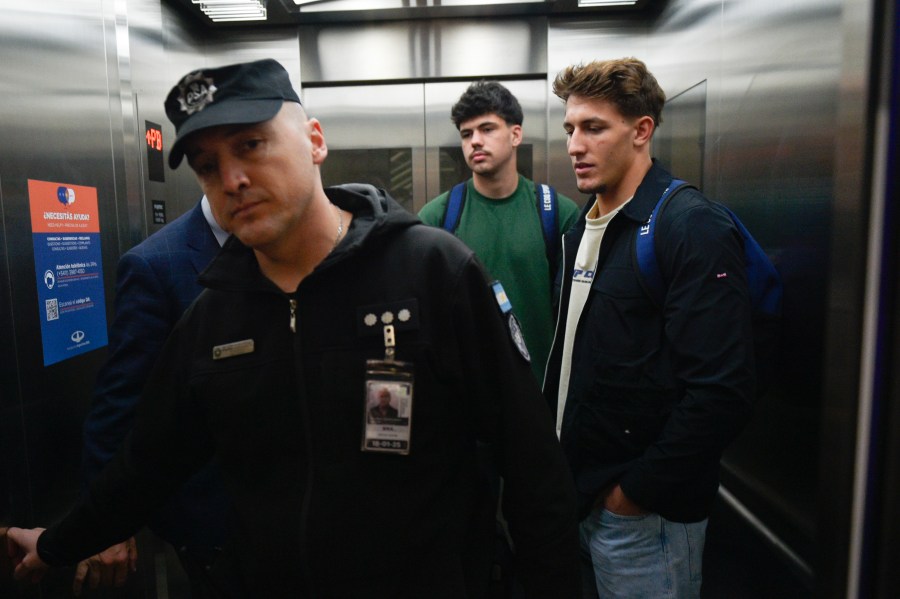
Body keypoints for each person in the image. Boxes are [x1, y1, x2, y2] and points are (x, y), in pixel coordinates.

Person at [7, 58, 580, 598]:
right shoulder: (213, 317)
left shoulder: (432, 272)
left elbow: (531, 465)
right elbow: (147, 463)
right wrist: (60, 544)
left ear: (314, 140)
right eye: (208, 166)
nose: (231, 179)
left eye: (251, 145)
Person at [544, 58, 755, 598]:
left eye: (594, 128)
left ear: (642, 131)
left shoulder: (689, 225)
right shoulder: (583, 228)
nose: (574, 145)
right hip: (584, 498)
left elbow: (720, 391)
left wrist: (633, 493)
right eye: (570, 128)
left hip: (645, 518)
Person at [74, 194, 232, 597]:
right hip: (215, 523)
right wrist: (107, 527)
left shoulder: (287, 244)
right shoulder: (156, 264)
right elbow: (118, 405)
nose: (237, 178)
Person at [418, 81, 579, 383]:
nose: (475, 141)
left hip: (540, 392)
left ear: (515, 134)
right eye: (466, 134)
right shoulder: (437, 218)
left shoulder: (558, 213)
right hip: (468, 398)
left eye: (487, 129)